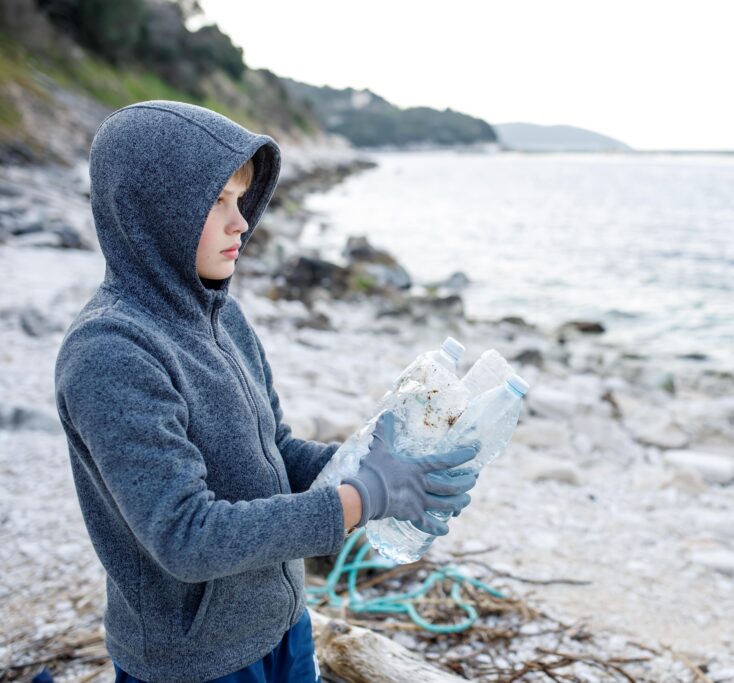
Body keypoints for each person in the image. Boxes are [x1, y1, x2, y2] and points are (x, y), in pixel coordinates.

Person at [53, 100, 480, 682]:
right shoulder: (110, 352)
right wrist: (362, 499)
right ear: (153, 209)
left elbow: (274, 451)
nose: (241, 223)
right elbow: (186, 536)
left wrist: (371, 464)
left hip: (282, 624)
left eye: (241, 199)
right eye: (217, 201)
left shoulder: (222, 317)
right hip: (194, 664)